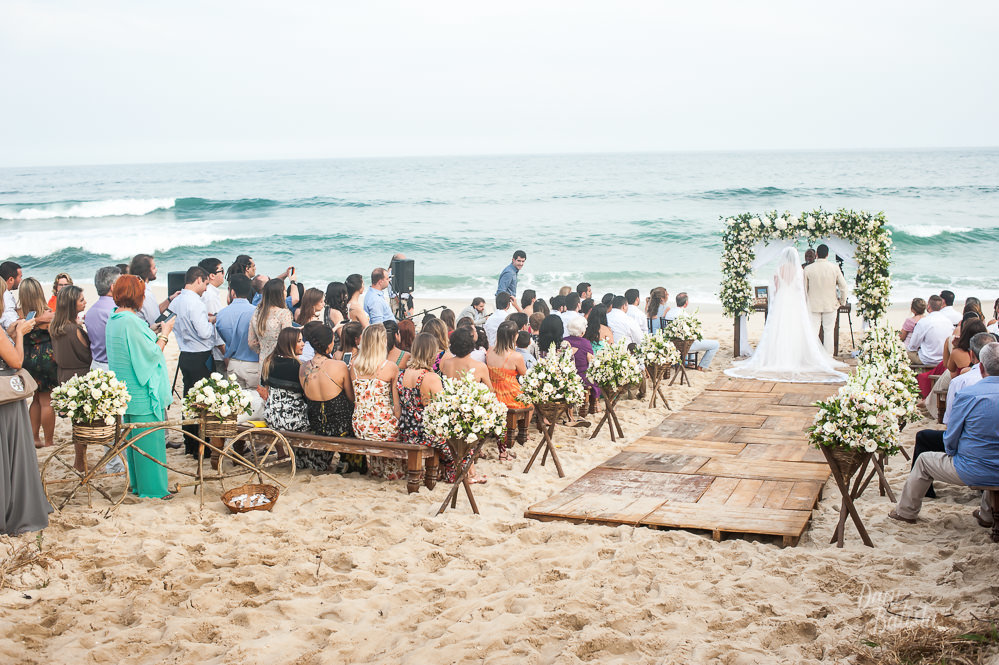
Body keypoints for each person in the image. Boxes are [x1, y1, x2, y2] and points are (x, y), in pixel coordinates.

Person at [891, 342, 999, 526]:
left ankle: (906, 512)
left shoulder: (968, 395)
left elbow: (950, 438)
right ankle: (986, 514)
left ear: (980, 367)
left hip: (972, 470)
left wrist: (954, 452)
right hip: (991, 465)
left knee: (924, 460)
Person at [725, 247, 848, 383]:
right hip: (801, 302)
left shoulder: (784, 269)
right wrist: (840, 301)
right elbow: (802, 290)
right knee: (812, 331)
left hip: (783, 301)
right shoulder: (803, 270)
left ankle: (781, 356)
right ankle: (822, 356)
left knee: (782, 329)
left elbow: (776, 289)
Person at [105, 275, 175, 499]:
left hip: (126, 390)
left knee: (134, 442)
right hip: (141, 391)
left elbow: (134, 345)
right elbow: (150, 354)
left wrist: (152, 331)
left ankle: (139, 485)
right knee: (150, 442)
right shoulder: (131, 321)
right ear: (137, 296)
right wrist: (165, 334)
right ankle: (153, 490)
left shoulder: (115, 318)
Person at [910, 332, 993, 499]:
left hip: (974, 462)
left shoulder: (964, 386)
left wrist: (953, 449)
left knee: (925, 447)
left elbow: (951, 429)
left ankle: (907, 510)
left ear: (972, 356)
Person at [398, 333, 483, 484]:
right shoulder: (430, 377)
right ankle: (465, 475)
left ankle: (459, 472)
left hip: (407, 431)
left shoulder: (402, 374)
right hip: (426, 433)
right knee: (463, 439)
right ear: (430, 353)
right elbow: (442, 409)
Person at [0, 314, 52, 533]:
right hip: (5, 401)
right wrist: (19, 336)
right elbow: (16, 362)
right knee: (10, 453)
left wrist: (9, 336)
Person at [171, 266, 219, 456]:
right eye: (206, 283)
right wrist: (213, 322)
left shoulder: (176, 301)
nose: (206, 288)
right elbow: (204, 332)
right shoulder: (196, 303)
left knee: (189, 400)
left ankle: (189, 443)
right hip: (201, 355)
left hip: (185, 354)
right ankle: (203, 446)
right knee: (204, 401)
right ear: (198, 280)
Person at [299, 324, 357, 473]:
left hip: (316, 424)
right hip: (340, 426)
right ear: (330, 343)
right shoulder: (339, 366)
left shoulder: (303, 367)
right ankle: (350, 464)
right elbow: (351, 398)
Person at [350, 325, 402, 479]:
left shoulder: (354, 367)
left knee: (381, 426)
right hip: (382, 425)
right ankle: (392, 472)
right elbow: (397, 405)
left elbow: (355, 397)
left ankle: (377, 469)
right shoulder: (390, 367)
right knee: (395, 427)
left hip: (360, 425)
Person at [18, 278, 57, 448]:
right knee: (47, 401)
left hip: (26, 358)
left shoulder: (18, 313)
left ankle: (34, 437)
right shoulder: (48, 313)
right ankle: (49, 441)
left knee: (35, 398)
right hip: (46, 358)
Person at [487, 320, 528, 461]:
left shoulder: (490, 350)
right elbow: (524, 373)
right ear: (514, 337)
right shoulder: (516, 356)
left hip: (491, 391)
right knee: (529, 403)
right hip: (509, 392)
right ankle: (524, 434)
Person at [261, 327, 310, 432]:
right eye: (299, 341)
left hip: (271, 418)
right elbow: (307, 395)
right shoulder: (298, 366)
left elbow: (264, 389)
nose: (303, 344)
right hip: (295, 420)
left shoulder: (269, 361)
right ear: (289, 343)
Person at [803, 244, 849, 355]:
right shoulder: (834, 268)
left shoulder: (808, 269)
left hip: (813, 305)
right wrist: (842, 301)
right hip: (830, 305)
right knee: (829, 332)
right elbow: (844, 287)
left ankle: (813, 357)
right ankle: (828, 357)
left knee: (813, 333)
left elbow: (804, 289)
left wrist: (805, 303)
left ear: (817, 254)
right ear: (827, 254)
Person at [215, 274, 260, 389]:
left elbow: (222, 337)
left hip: (233, 363)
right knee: (256, 401)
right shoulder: (257, 312)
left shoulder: (221, 314)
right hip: (253, 363)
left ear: (232, 291)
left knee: (237, 403)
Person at [249, 279, 293, 374]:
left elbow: (251, 343)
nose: (286, 293)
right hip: (279, 362)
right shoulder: (284, 313)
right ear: (279, 294)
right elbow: (287, 342)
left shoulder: (257, 313)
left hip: (263, 360)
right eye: (285, 290)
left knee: (264, 388)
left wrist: (263, 350)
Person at [669, 293, 721, 371]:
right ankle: (701, 366)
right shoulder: (685, 315)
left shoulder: (669, 312)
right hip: (684, 346)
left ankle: (690, 363)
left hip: (672, 344)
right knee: (715, 345)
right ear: (686, 303)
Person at [50, 285, 91, 384]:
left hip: (63, 376)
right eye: (81, 300)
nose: (85, 302)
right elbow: (87, 355)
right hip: (80, 378)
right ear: (71, 305)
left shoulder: (55, 326)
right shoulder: (73, 330)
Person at [84, 266, 121, 370]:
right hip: (113, 367)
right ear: (113, 287)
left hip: (95, 365)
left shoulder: (90, 311)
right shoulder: (117, 311)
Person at [129, 254, 175, 329]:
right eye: (154, 268)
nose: (156, 270)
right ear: (146, 271)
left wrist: (169, 299)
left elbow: (150, 311)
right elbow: (155, 322)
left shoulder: (131, 289)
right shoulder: (145, 294)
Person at [564, 316, 599, 416]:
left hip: (567, 375)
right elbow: (591, 360)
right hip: (582, 376)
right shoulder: (585, 343)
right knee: (594, 379)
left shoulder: (564, 341)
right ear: (583, 332)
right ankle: (592, 404)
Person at [906, 295, 954, 366]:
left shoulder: (923, 322)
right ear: (941, 307)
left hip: (927, 359)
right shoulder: (949, 321)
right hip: (944, 358)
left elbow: (912, 346)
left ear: (928, 306)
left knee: (906, 353)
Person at [198, 257, 227, 371]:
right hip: (216, 354)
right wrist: (225, 354)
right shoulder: (210, 295)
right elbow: (216, 329)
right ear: (212, 275)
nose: (223, 274)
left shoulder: (210, 292)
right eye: (221, 270)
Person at [0, 261, 24, 330]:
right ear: (11, 280)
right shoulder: (5, 296)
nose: (21, 280)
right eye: (20, 277)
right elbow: (11, 324)